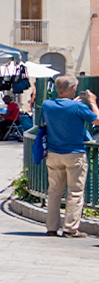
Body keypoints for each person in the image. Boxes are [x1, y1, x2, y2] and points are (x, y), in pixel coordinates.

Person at [40, 75, 98, 238]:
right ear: (72, 89)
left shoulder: (47, 104)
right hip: (74, 154)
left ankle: (51, 227)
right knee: (75, 191)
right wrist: (92, 102)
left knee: (54, 191)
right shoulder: (77, 107)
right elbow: (97, 120)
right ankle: (70, 228)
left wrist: (74, 104)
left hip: (54, 153)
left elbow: (60, 112)